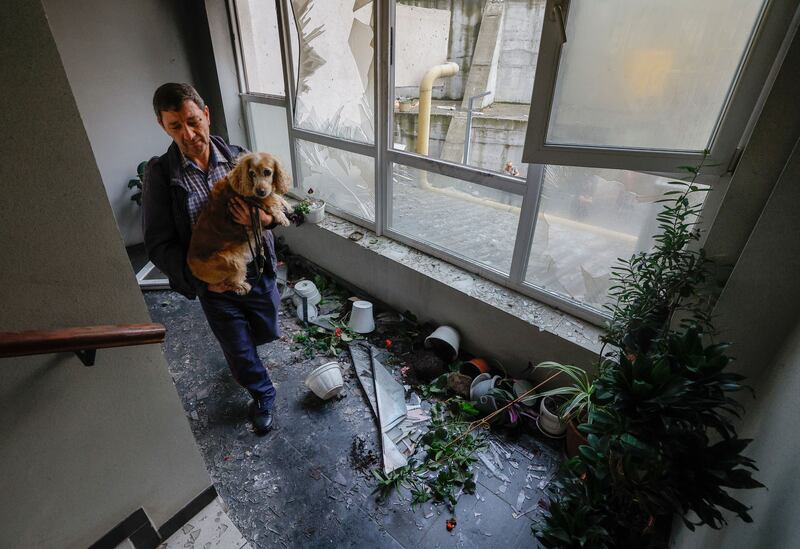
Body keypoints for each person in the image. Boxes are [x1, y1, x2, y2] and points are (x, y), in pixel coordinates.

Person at [142, 82, 281, 435]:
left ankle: (247, 358)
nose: (188, 134)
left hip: (257, 269)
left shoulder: (241, 158)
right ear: (163, 126)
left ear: (206, 114)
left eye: (192, 121)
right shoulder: (161, 175)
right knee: (238, 349)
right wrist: (200, 280)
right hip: (215, 282)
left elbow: (276, 207)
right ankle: (262, 393)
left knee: (266, 330)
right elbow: (158, 244)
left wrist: (265, 221)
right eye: (176, 126)